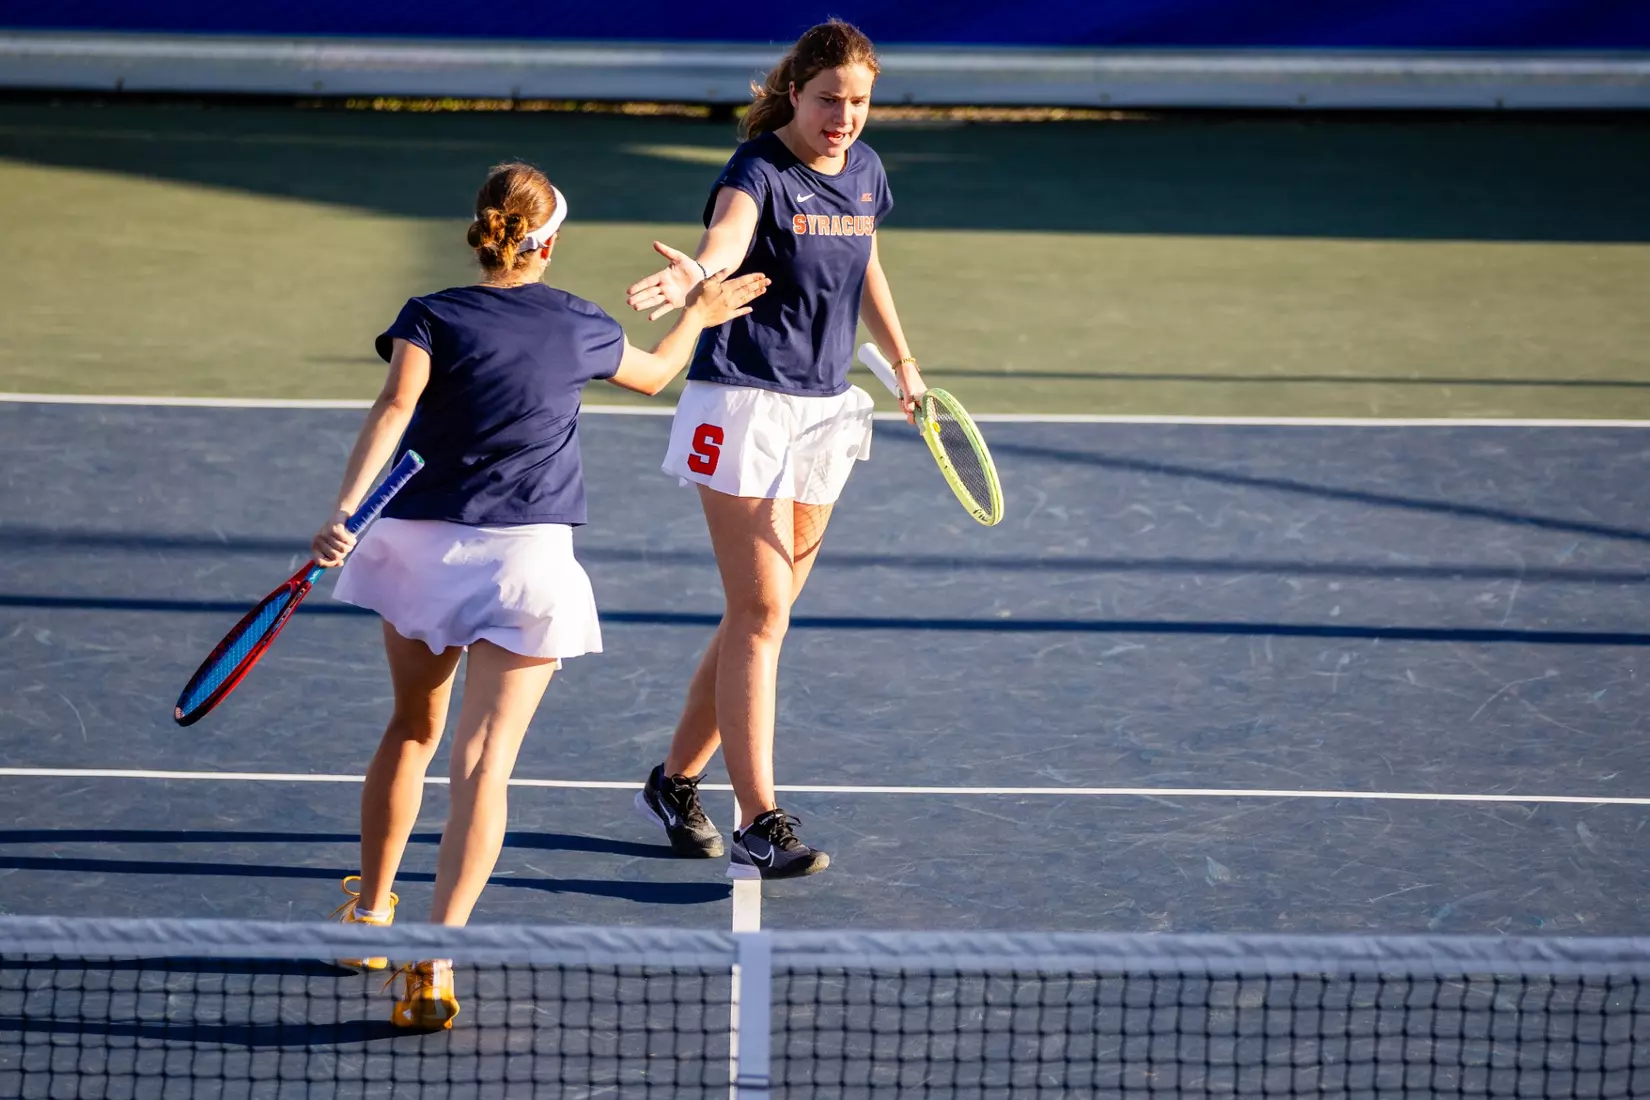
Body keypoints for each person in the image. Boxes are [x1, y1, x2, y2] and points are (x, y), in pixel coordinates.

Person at [313, 161, 766, 1030]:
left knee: (412, 728)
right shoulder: (580, 322)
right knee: (484, 766)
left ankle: (372, 919)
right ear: (549, 242)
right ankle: (436, 963)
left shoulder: (430, 314)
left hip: (416, 552)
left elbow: (393, 407)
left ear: (485, 231)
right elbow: (656, 374)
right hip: (527, 565)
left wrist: (343, 511)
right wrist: (701, 311)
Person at [625, 20, 924, 880]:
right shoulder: (756, 171)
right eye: (830, 100)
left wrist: (902, 361)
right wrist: (697, 277)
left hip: (826, 409)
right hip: (744, 404)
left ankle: (674, 782)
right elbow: (726, 238)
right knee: (761, 613)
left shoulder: (864, 169)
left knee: (765, 611)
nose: (844, 118)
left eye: (860, 103)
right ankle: (760, 817)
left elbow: (866, 260)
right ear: (795, 91)